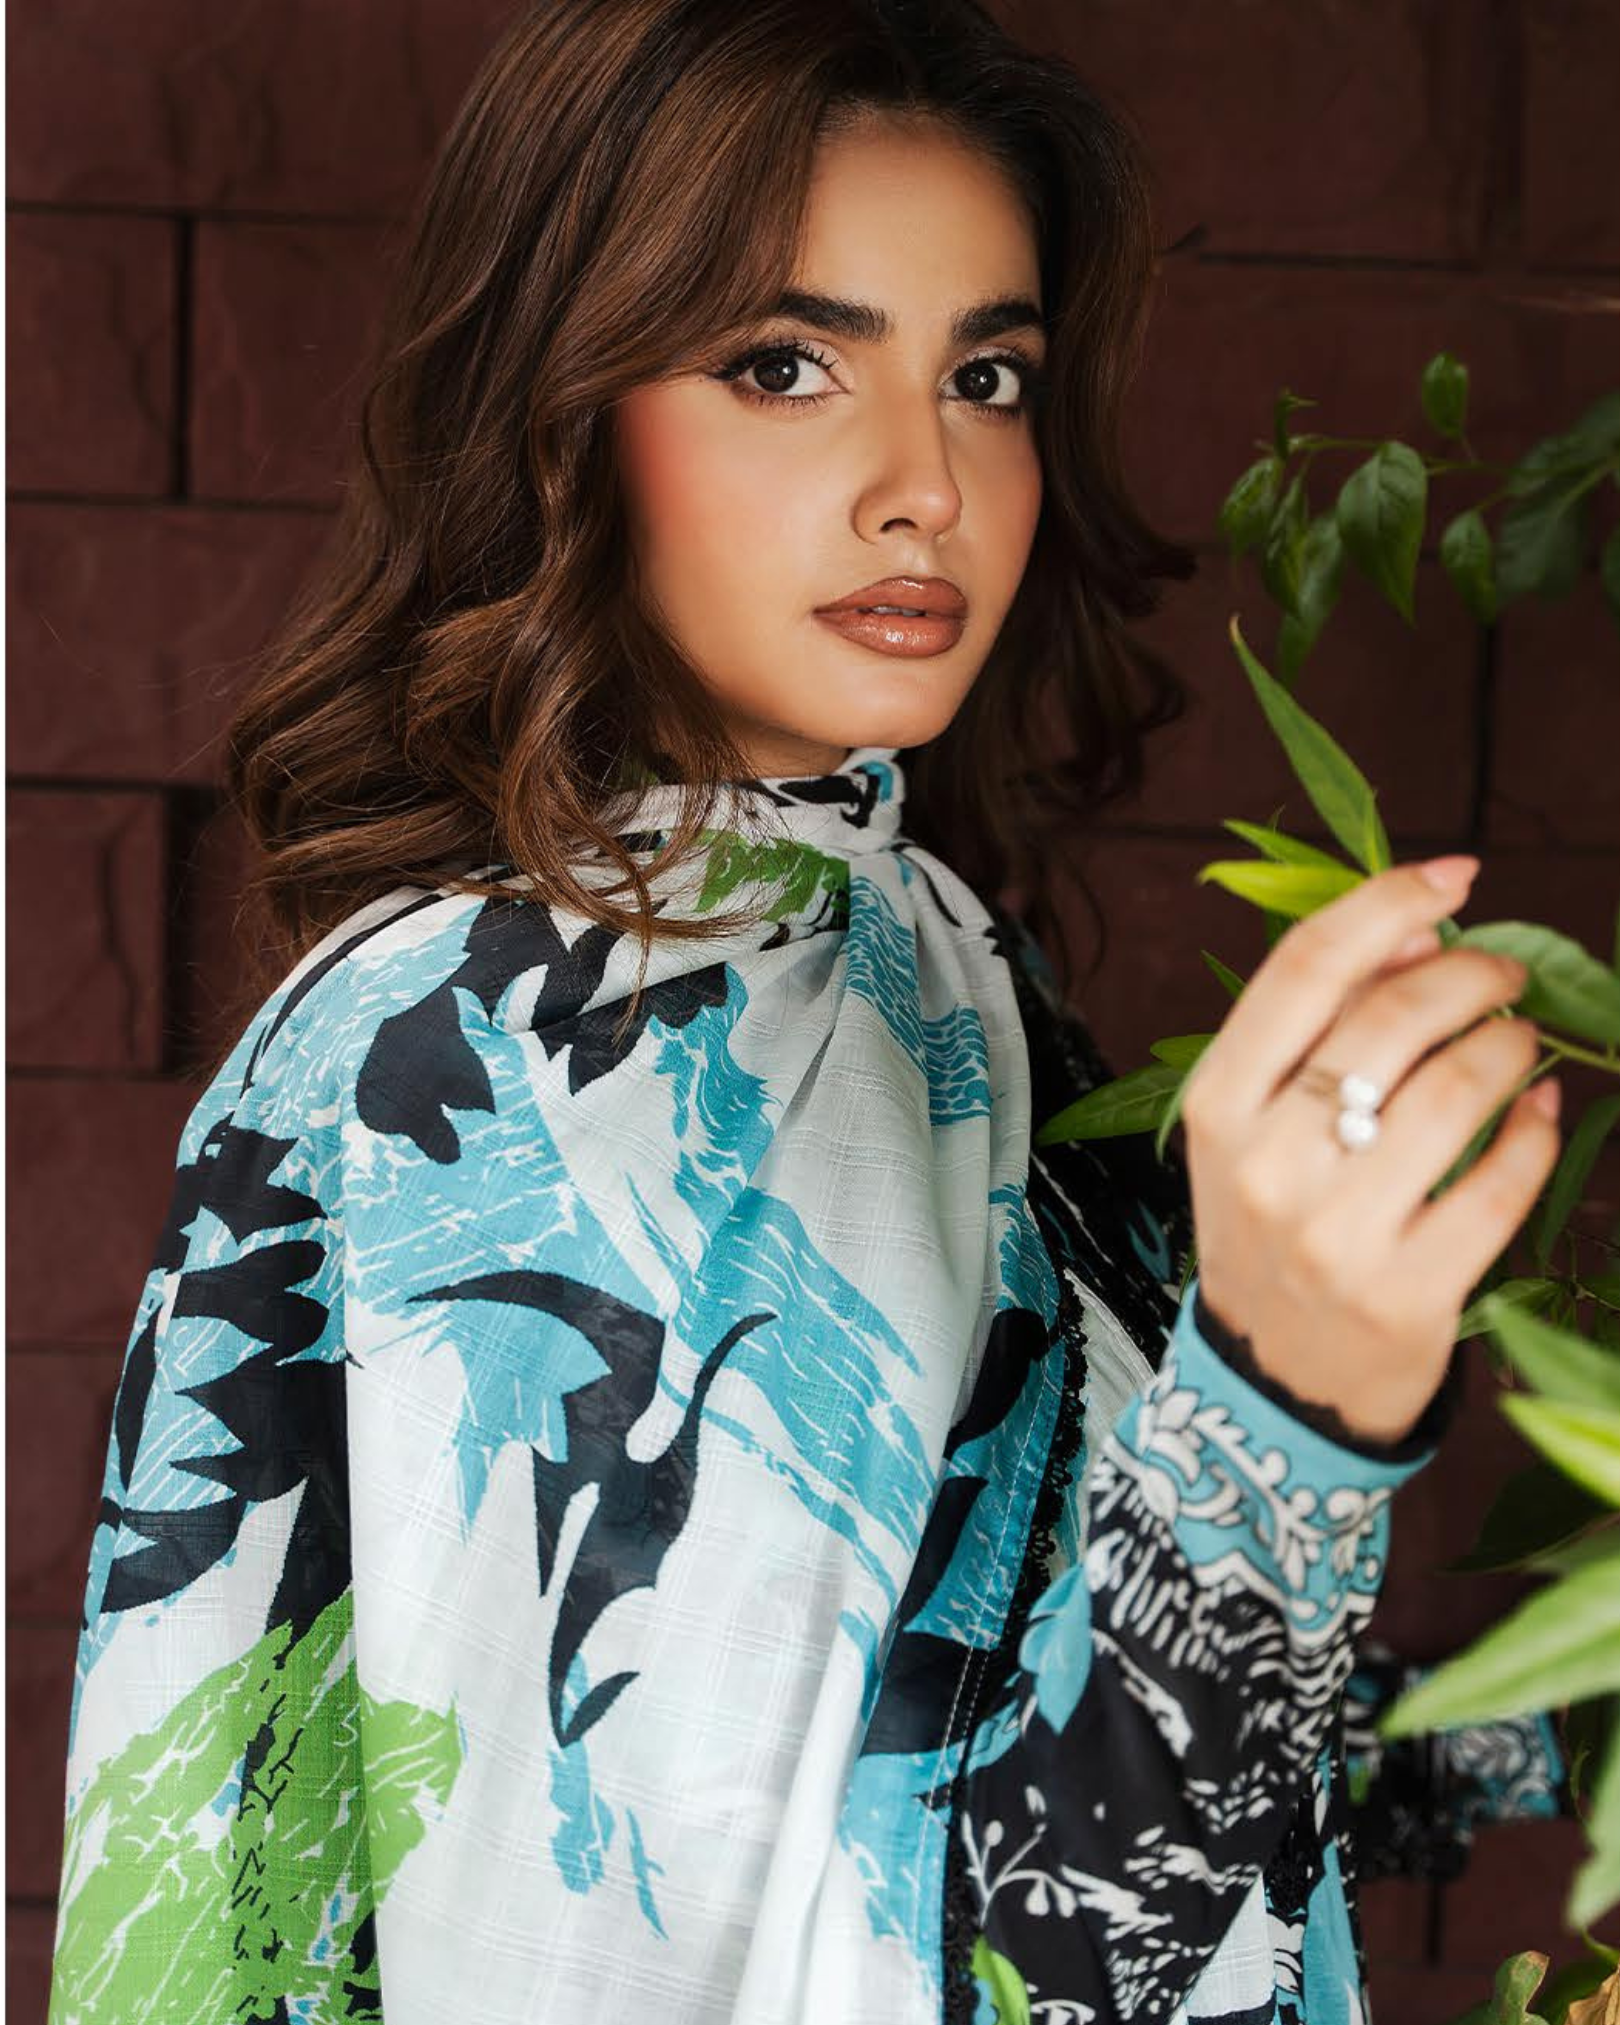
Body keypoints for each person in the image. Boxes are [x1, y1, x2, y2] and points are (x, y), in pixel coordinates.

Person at [46, 3, 1568, 2021]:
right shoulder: (482, 1053)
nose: (924, 484)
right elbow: (898, 1949)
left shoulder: (938, 971)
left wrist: (1539, 1727)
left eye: (987, 377)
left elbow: (1038, 1737)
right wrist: (1289, 1415)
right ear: (562, 409)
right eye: (784, 365)